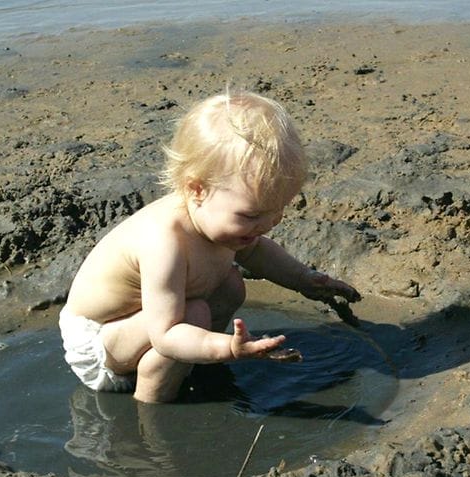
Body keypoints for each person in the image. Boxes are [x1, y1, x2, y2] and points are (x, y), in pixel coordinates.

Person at [59, 90, 361, 403]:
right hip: (101, 344)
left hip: (152, 325)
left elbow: (256, 252)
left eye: (278, 209)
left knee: (231, 284)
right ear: (197, 189)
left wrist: (304, 279)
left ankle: (195, 361)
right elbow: (165, 335)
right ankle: (152, 405)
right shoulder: (164, 243)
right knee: (193, 316)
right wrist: (228, 349)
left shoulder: (218, 220)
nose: (269, 223)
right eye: (252, 214)